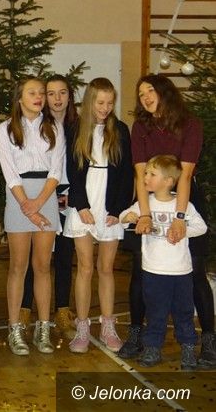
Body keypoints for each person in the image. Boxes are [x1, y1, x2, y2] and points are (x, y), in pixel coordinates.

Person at [119, 74, 215, 367]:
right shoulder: (140, 127)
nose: (145, 97)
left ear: (165, 92)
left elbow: (184, 176)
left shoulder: (190, 124)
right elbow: (140, 174)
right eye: (141, 93)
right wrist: (144, 214)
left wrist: (180, 218)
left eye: (150, 91)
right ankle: (137, 334)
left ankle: (208, 340)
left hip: (184, 199)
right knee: (141, 270)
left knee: (195, 272)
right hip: (147, 198)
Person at [63, 78, 133, 353]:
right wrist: (81, 206)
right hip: (85, 204)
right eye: (100, 102)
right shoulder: (75, 129)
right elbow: (72, 170)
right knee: (85, 267)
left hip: (109, 205)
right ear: (90, 101)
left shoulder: (121, 130)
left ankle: (107, 326)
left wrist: (117, 210)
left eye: (109, 103)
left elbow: (126, 173)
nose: (105, 108)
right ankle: (82, 326)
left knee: (106, 268)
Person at [0, 77, 64, 356]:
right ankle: (15, 328)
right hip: (19, 198)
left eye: (41, 93)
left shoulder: (54, 127)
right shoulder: (5, 129)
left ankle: (43, 327)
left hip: (45, 197)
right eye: (32, 92)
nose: (39, 97)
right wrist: (27, 204)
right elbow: (10, 172)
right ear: (19, 98)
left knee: (43, 266)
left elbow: (56, 171)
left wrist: (38, 204)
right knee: (18, 266)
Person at [120, 155, 207, 369]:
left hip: (180, 272)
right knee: (155, 311)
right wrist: (130, 218)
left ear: (168, 181)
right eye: (145, 173)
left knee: (184, 312)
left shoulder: (184, 206)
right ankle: (152, 348)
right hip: (153, 271)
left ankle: (188, 348)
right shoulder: (144, 204)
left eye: (152, 174)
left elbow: (201, 227)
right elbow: (124, 217)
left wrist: (183, 231)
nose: (145, 178)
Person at [19, 75, 77, 337]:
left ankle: (62, 309)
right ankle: (25, 308)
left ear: (69, 96)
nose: (56, 98)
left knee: (64, 253)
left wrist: (74, 195)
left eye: (62, 92)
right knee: (35, 256)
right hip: (39, 194)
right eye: (50, 93)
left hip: (68, 196)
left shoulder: (78, 127)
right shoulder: (34, 124)